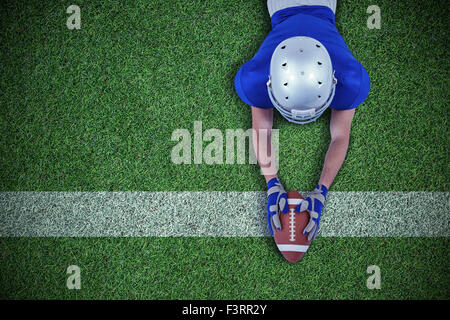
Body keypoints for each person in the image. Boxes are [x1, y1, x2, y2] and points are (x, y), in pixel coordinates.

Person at [234, 0, 370, 240]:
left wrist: (272, 184)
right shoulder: (352, 81)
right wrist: (320, 190)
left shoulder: (255, 79)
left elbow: (262, 130)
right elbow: (340, 135)